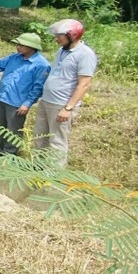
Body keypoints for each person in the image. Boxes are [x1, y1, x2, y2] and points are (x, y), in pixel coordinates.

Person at [32, 18, 98, 167]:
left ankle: (53, 176)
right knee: (40, 137)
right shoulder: (61, 50)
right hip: (46, 101)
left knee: (57, 142)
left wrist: (68, 108)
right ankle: (36, 170)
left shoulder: (85, 54)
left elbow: (84, 84)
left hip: (61, 104)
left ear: (72, 35)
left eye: (59, 36)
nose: (56, 39)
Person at [0, 32, 51, 156]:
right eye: (17, 44)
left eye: (21, 45)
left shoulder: (42, 65)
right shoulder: (15, 57)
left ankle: (10, 154)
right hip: (4, 97)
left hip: (18, 102)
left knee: (13, 130)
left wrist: (27, 103)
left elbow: (38, 87)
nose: (18, 47)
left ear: (31, 47)